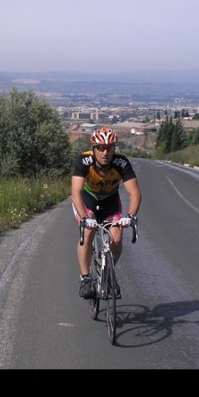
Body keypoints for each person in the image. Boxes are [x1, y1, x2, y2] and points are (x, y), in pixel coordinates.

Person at [71, 127, 141, 299]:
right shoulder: (84, 161)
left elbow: (135, 194)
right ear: (94, 149)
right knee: (88, 231)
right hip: (87, 199)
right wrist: (85, 218)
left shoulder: (121, 163)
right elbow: (76, 193)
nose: (105, 153)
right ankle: (85, 279)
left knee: (116, 238)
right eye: (101, 148)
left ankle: (108, 274)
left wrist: (130, 216)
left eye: (109, 148)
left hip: (110, 201)